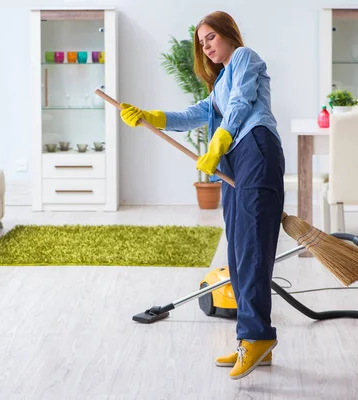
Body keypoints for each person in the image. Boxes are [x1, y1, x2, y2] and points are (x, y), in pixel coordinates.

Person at [119, 10, 285, 380]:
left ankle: (256, 337)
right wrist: (151, 116)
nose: (205, 46)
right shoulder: (219, 83)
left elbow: (242, 103)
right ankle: (254, 342)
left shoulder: (244, 58)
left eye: (209, 37)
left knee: (252, 248)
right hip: (236, 160)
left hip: (255, 149)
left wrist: (221, 139)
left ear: (228, 33)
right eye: (200, 42)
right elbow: (194, 114)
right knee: (238, 251)